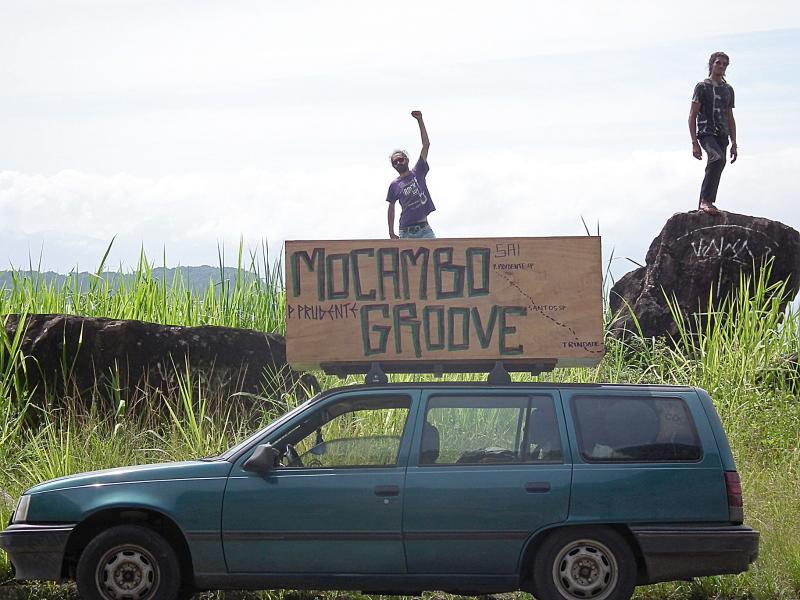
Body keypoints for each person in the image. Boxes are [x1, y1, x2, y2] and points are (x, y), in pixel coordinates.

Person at [688, 51, 738, 215]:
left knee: (719, 163)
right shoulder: (702, 87)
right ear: (712, 64)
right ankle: (705, 200)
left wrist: (734, 143)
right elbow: (692, 115)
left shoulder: (728, 90)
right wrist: (694, 142)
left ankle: (705, 200)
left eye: (724, 64)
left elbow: (730, 117)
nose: (721, 66)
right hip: (706, 131)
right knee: (716, 159)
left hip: (722, 134)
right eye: (718, 63)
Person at [387, 111, 436, 239]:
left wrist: (420, 120)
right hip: (405, 231)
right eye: (395, 162)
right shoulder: (394, 185)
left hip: (424, 228)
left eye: (401, 159)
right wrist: (391, 232)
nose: (398, 162)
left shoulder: (418, 171)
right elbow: (391, 207)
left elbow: (426, 145)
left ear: (407, 160)